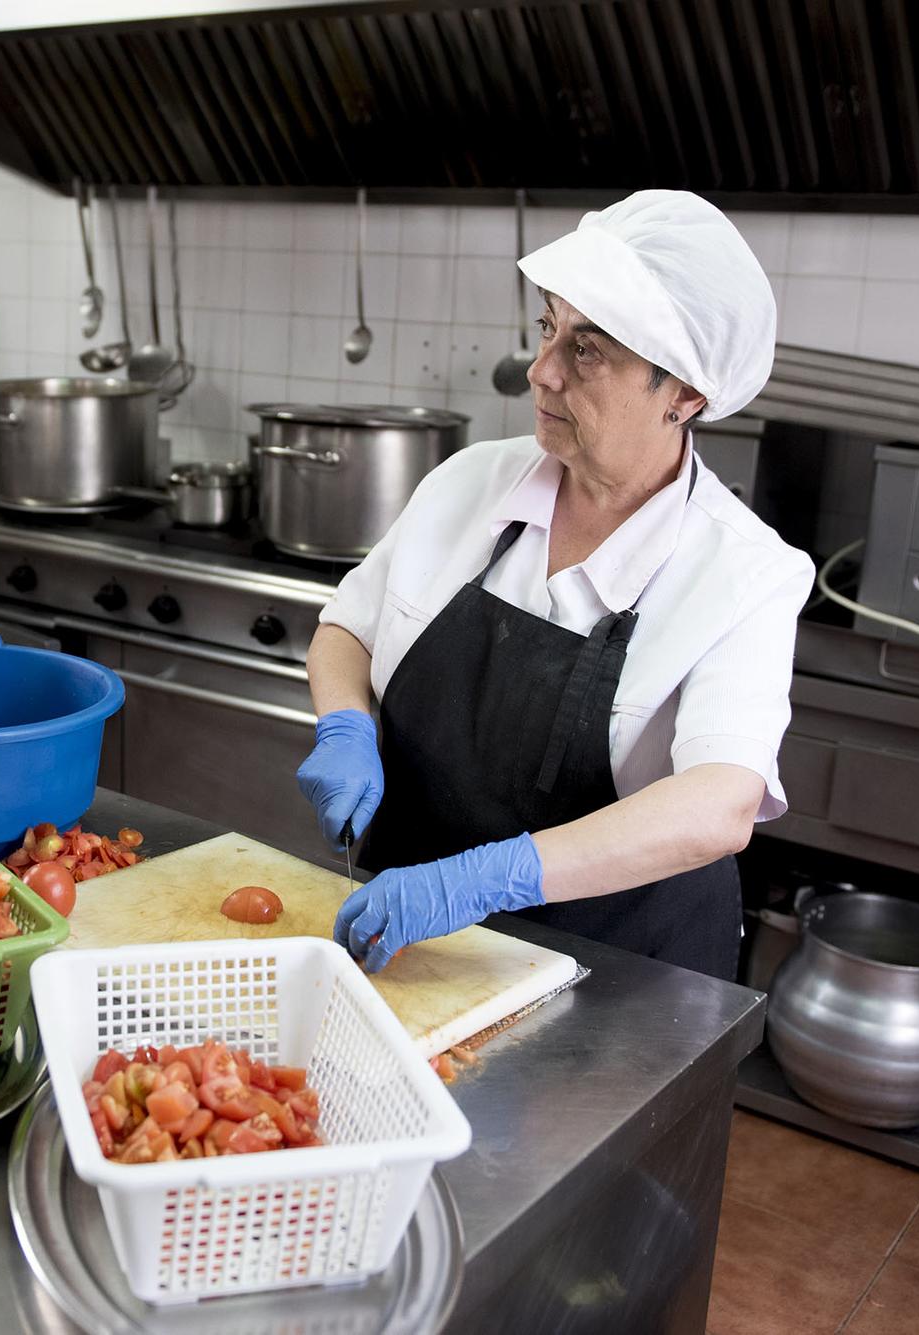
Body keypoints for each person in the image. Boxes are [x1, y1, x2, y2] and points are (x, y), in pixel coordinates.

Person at [299, 189, 812, 981]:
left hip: (618, 985)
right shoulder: (469, 482)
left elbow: (721, 803)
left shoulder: (745, 572)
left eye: (588, 350)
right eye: (549, 328)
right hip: (414, 948)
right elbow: (349, 627)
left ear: (684, 394)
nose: (541, 372)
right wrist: (345, 726)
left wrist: (480, 878)